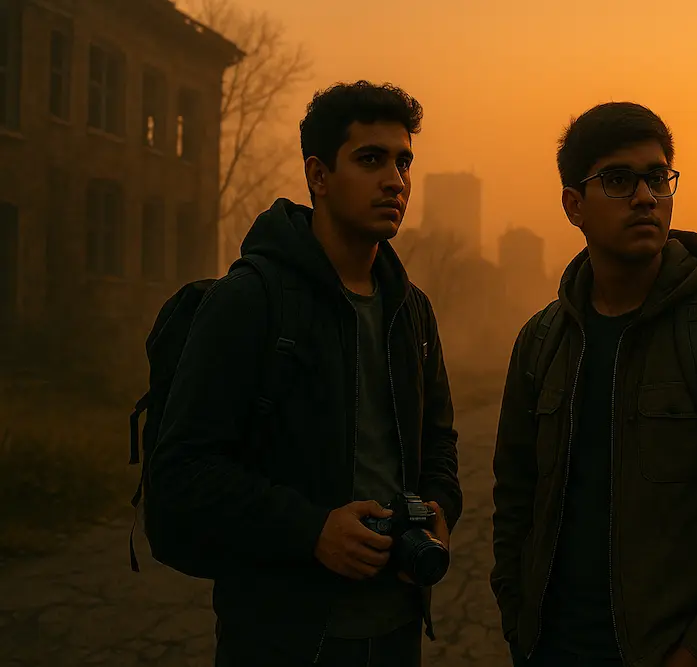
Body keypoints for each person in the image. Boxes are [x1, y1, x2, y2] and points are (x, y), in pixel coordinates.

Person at [146, 81, 462, 667]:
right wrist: (310, 530)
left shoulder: (411, 310)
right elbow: (183, 473)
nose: (395, 180)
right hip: (282, 634)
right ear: (318, 176)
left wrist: (440, 506)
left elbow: (439, 440)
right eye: (371, 159)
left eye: (404, 161)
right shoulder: (251, 301)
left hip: (397, 626)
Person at [490, 102, 697, 667]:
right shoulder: (541, 341)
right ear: (573, 205)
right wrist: (518, 620)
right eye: (617, 180)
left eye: (657, 177)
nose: (645, 196)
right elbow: (515, 498)